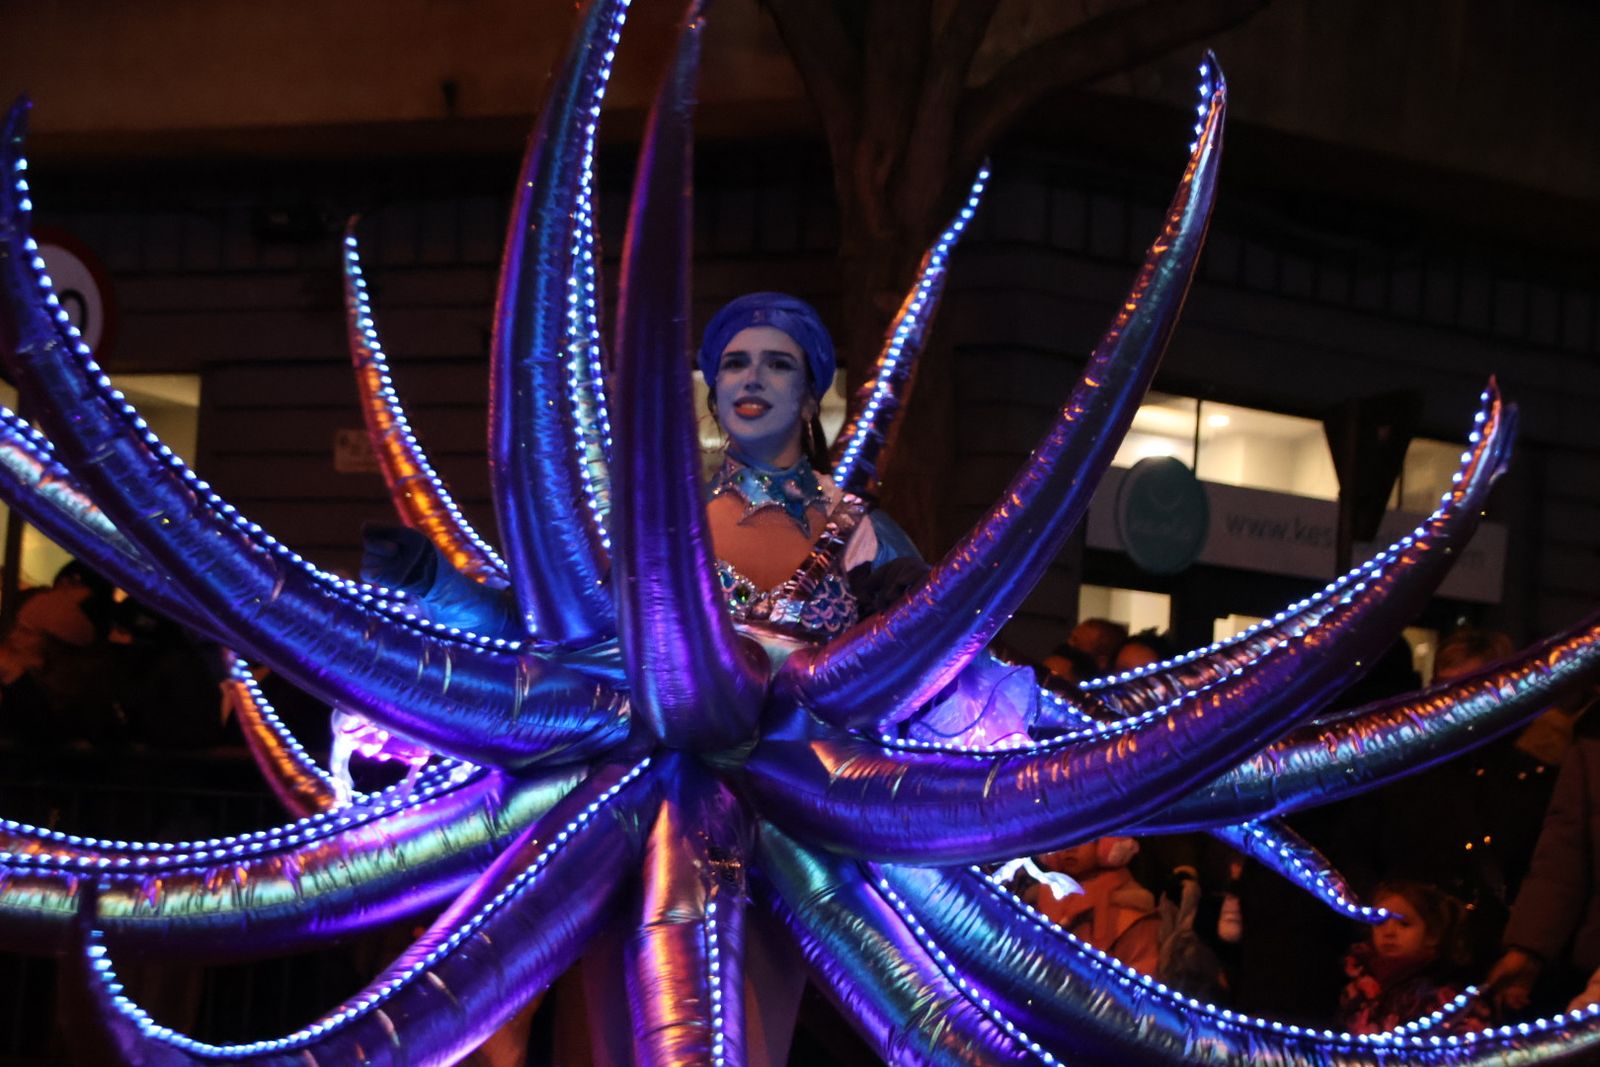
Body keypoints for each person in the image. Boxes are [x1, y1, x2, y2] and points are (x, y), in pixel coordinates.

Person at [1338, 880, 1488, 1035]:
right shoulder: (1358, 980)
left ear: (1431, 934)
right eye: (1380, 922)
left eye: (1404, 924)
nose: (1389, 932)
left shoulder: (1438, 991)